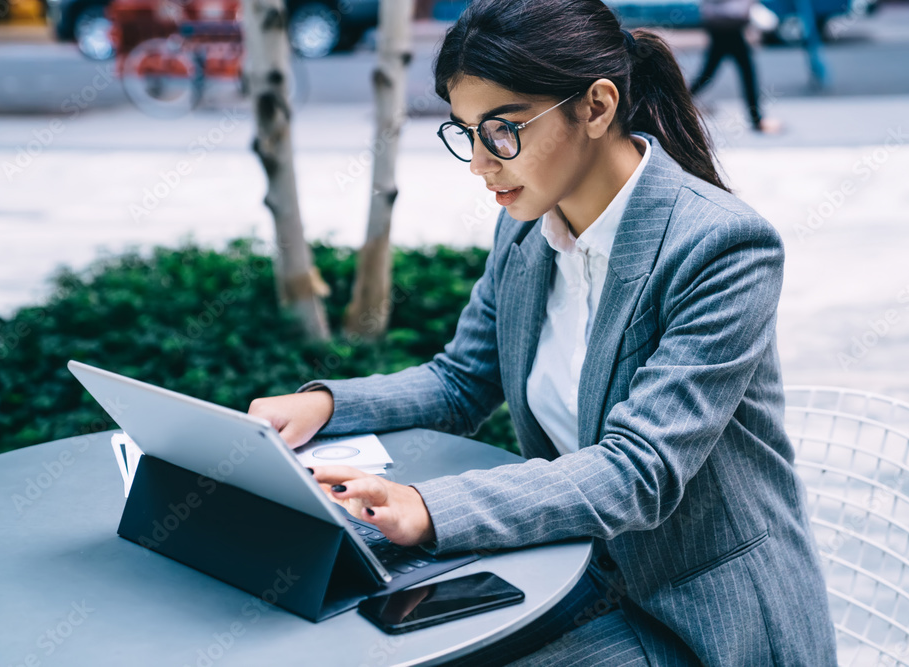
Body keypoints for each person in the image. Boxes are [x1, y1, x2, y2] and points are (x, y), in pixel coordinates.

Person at [248, 0, 838, 663]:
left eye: (501, 130)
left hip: (702, 619)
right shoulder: (528, 225)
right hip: (574, 575)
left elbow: (638, 470)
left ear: (596, 106)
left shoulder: (721, 247)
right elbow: (462, 380)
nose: (479, 163)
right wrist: (326, 405)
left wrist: (428, 507)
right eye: (466, 132)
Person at [690, 0, 783, 133]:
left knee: (709, 74)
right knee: (746, 73)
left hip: (723, 27)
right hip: (728, 28)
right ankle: (756, 119)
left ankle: (678, 102)